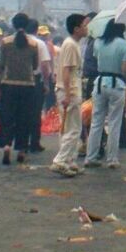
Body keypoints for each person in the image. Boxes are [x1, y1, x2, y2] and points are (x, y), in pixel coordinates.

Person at [85, 20, 126, 169]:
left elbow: (96, 57)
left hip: (99, 83)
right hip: (117, 84)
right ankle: (112, 159)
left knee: (96, 122)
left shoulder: (98, 42)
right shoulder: (124, 44)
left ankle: (91, 157)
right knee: (114, 122)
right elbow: (125, 69)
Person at [0, 13, 39, 166]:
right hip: (27, 85)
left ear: (13, 25)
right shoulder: (33, 44)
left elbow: (1, 64)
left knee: (7, 117)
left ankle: (7, 146)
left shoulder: (5, 42)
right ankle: (21, 149)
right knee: (24, 118)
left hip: (9, 84)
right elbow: (35, 66)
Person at [50, 14, 88, 177]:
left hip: (68, 90)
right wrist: (68, 93)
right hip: (70, 91)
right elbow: (66, 71)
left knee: (71, 128)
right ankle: (60, 160)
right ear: (76, 28)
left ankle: (69, 161)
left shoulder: (70, 43)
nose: (87, 28)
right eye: (84, 25)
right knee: (73, 129)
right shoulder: (71, 45)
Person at [26, 19, 54, 154]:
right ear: (36, 29)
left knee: (23, 112)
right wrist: (47, 83)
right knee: (36, 112)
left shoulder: (15, 41)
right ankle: (34, 142)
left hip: (20, 80)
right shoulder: (40, 44)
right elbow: (45, 66)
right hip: (36, 81)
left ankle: (22, 141)